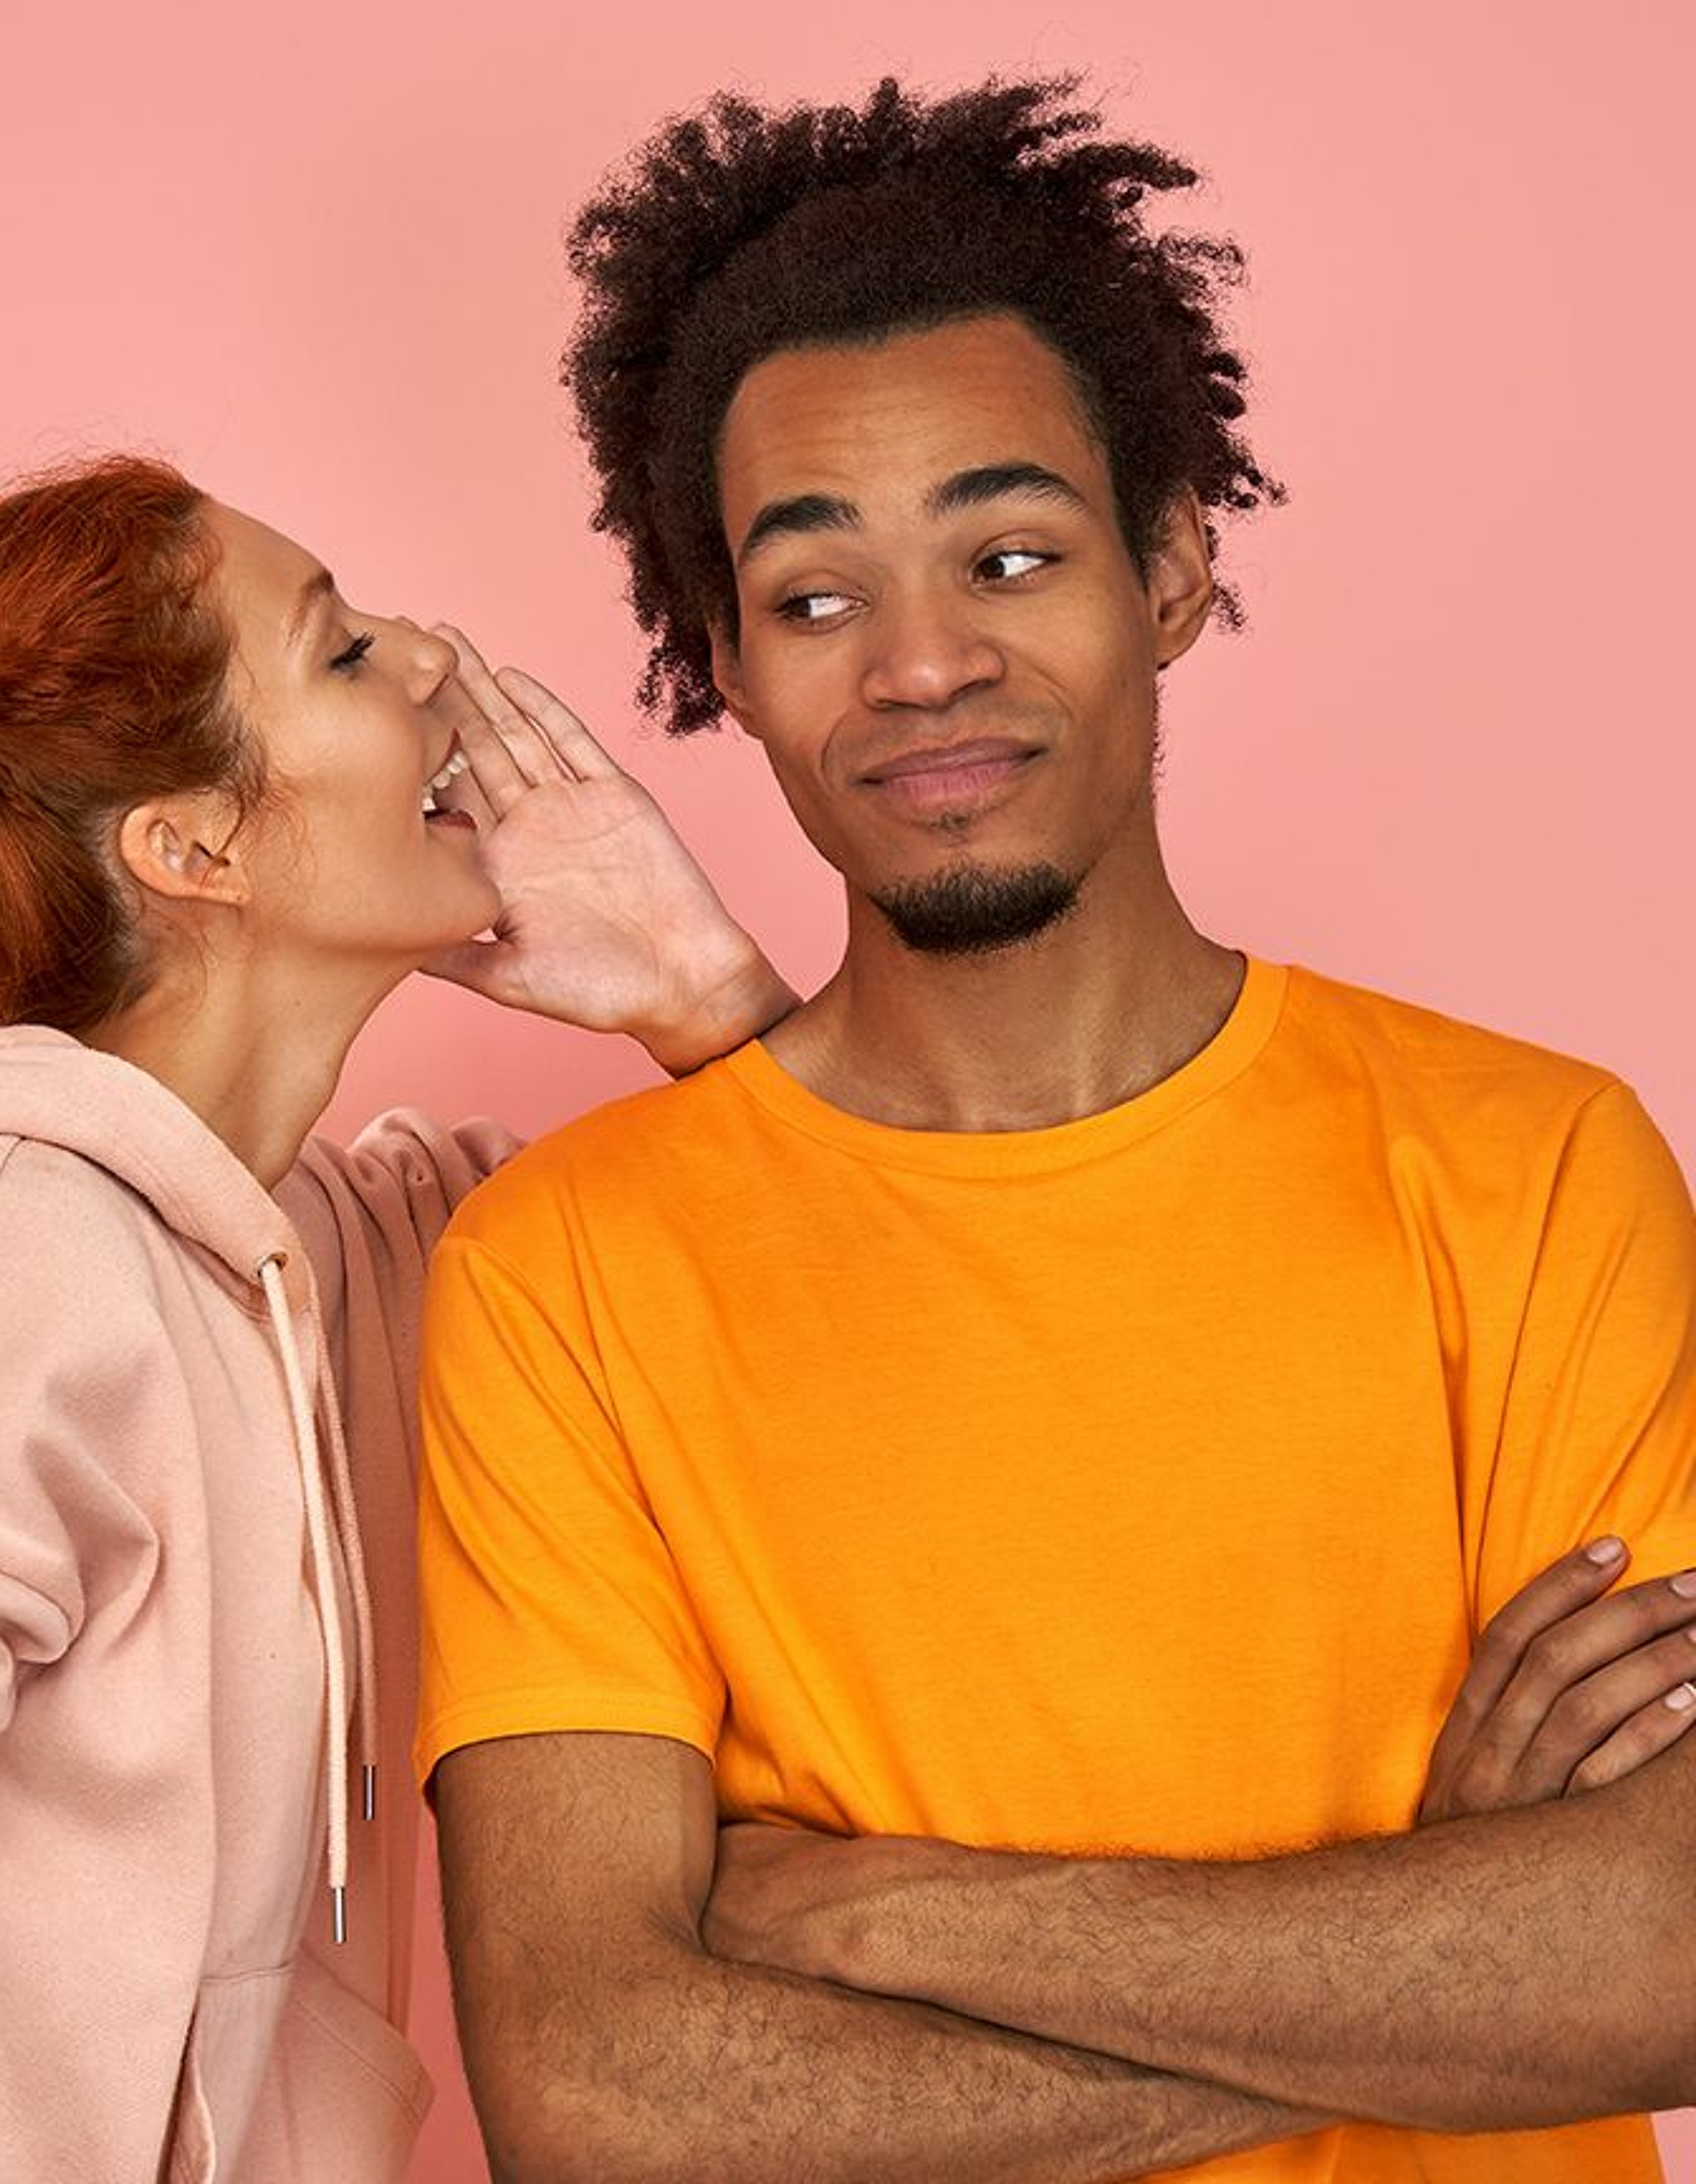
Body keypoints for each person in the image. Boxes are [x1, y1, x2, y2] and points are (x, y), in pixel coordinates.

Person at [415, 78, 1696, 2183]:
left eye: (1009, 557)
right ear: (724, 659)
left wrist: (883, 1916)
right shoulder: (563, 1272)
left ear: (1172, 568)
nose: (922, 665)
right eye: (815, 601)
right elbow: (604, 2108)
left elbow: (1655, 1953)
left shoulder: (1536, 1168)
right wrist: (1432, 1946)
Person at [0, 454, 799, 2183]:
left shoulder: (360, 1251)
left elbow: (822, 1276)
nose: (433, 655)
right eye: (344, 650)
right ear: (192, 845)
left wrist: (703, 990)